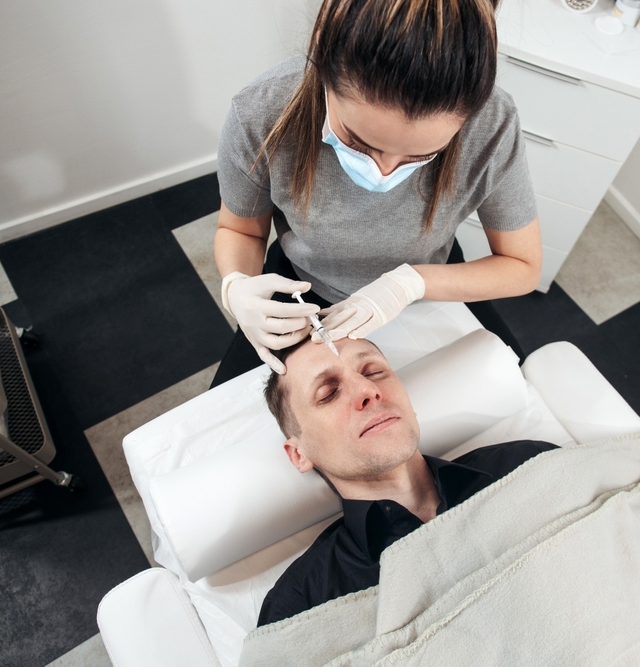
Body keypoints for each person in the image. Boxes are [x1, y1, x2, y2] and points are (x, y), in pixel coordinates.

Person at [212, 0, 541, 386]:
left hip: (429, 283)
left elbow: (523, 266)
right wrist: (237, 286)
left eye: (422, 155)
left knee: (517, 387)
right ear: (321, 59)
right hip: (303, 288)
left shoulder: (492, 123)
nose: (384, 172)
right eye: (360, 143)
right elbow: (241, 230)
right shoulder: (261, 114)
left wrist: (410, 283)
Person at [257, 334, 556, 627]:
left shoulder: (530, 463)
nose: (368, 389)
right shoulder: (300, 607)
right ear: (299, 454)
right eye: (328, 393)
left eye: (374, 372)